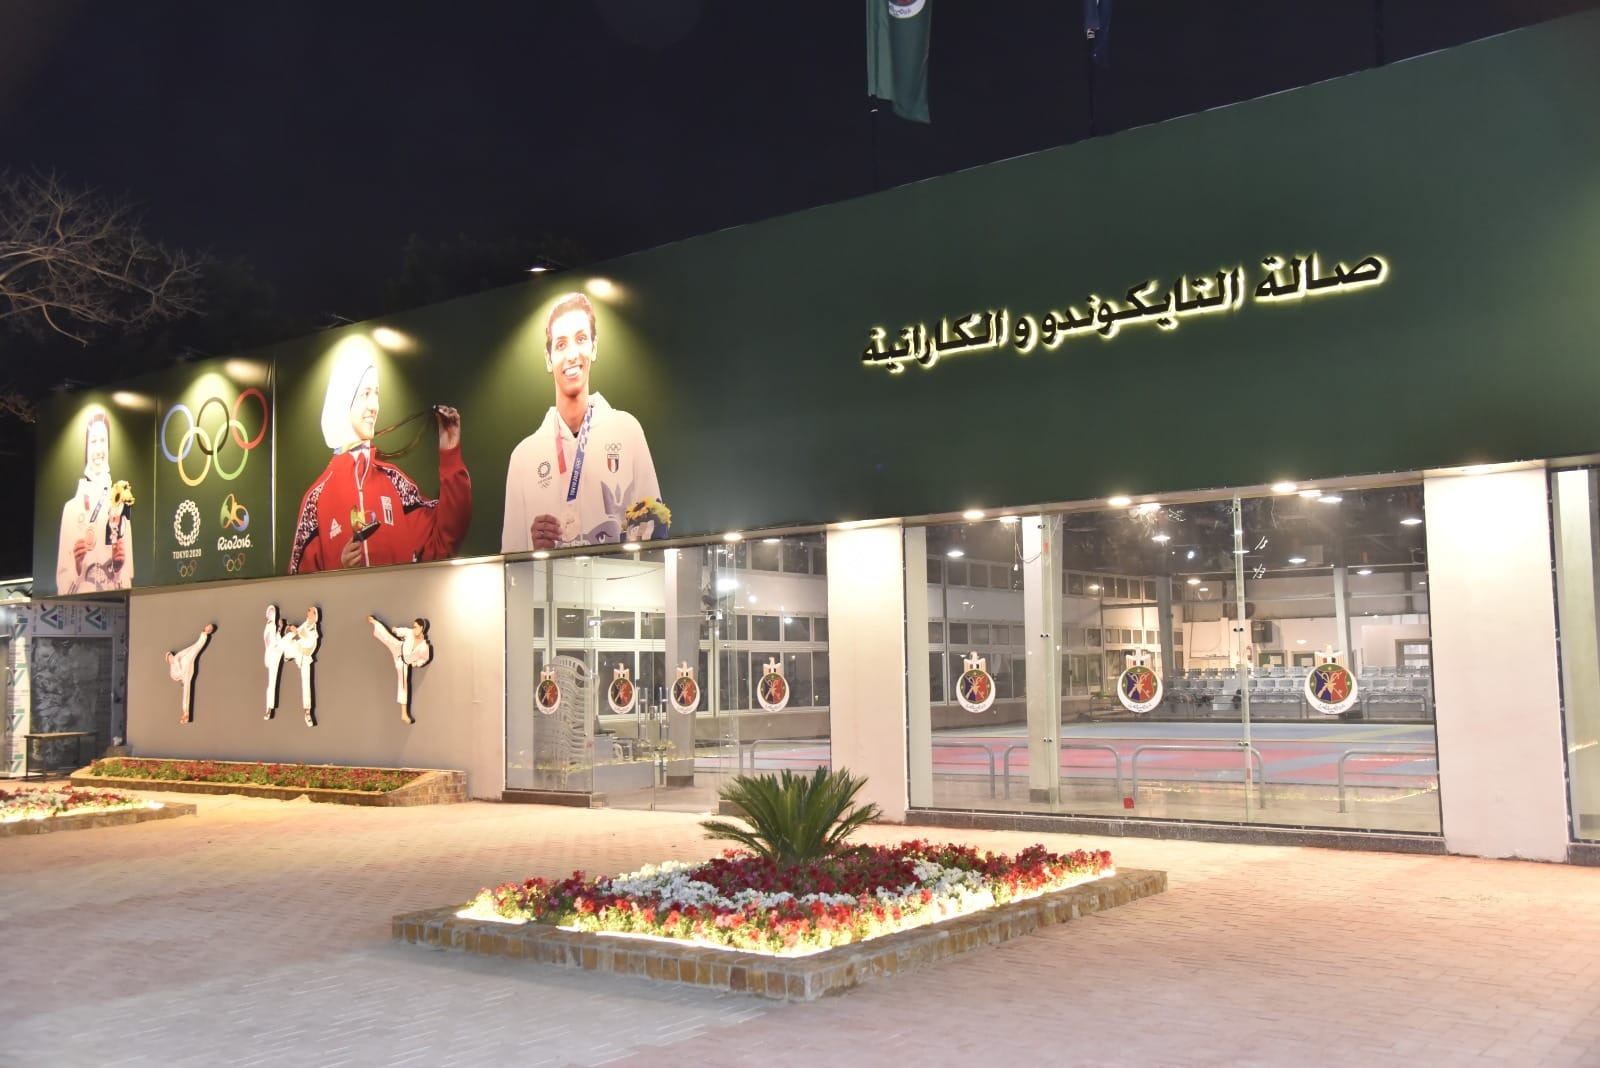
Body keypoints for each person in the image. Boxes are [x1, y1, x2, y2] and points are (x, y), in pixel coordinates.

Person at [502, 292, 667, 551]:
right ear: (548, 359)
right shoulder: (523, 458)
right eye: (561, 344)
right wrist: (534, 551)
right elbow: (511, 558)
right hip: (551, 580)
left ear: (594, 347)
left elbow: (657, 536)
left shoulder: (627, 431)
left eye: (580, 339)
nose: (572, 354)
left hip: (617, 578)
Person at [289, 344, 471, 573]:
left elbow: (446, 538)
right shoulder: (316, 501)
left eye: (377, 393)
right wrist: (339, 571)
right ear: (343, 400)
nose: (374, 406)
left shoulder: (396, 483)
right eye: (365, 394)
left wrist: (450, 452)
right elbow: (298, 584)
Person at [56, 409, 133, 593]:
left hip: (114, 605)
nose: (99, 449)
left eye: (103, 441)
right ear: (86, 448)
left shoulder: (120, 505)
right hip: (81, 604)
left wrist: (118, 568)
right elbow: (61, 583)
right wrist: (77, 566)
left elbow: (128, 577)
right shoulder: (71, 509)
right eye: (93, 442)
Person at [369, 615, 433, 724]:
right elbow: (402, 631)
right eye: (413, 626)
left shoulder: (424, 647)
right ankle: (374, 622)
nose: (414, 628)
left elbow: (424, 658)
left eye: (416, 627)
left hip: (403, 664)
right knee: (388, 638)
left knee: (403, 685)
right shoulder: (410, 633)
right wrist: (396, 630)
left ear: (421, 628)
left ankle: (404, 714)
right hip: (398, 648)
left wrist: (417, 663)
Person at [166, 624, 214, 724]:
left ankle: (204, 634)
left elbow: (190, 649)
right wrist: (182, 679)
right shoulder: (172, 670)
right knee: (186, 691)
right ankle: (185, 714)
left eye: (170, 655)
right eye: (168, 658)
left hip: (187, 662)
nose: (170, 657)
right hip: (185, 674)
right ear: (168, 661)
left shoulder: (178, 656)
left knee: (195, 648)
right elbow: (175, 677)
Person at [282, 606, 321, 726]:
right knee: (289, 640)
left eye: (311, 612)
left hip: (305, 657)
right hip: (297, 652)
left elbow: (309, 641)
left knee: (306, 683)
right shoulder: (305, 625)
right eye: (308, 611)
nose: (309, 614)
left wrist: (299, 633)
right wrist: (292, 629)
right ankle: (286, 655)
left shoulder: (313, 631)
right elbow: (297, 634)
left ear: (315, 616)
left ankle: (307, 711)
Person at [263, 605, 286, 720]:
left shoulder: (272, 628)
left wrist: (280, 630)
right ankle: (269, 708)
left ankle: (269, 708)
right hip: (272, 656)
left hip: (273, 656)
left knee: (272, 683)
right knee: (271, 683)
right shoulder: (270, 627)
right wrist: (279, 630)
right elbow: (271, 641)